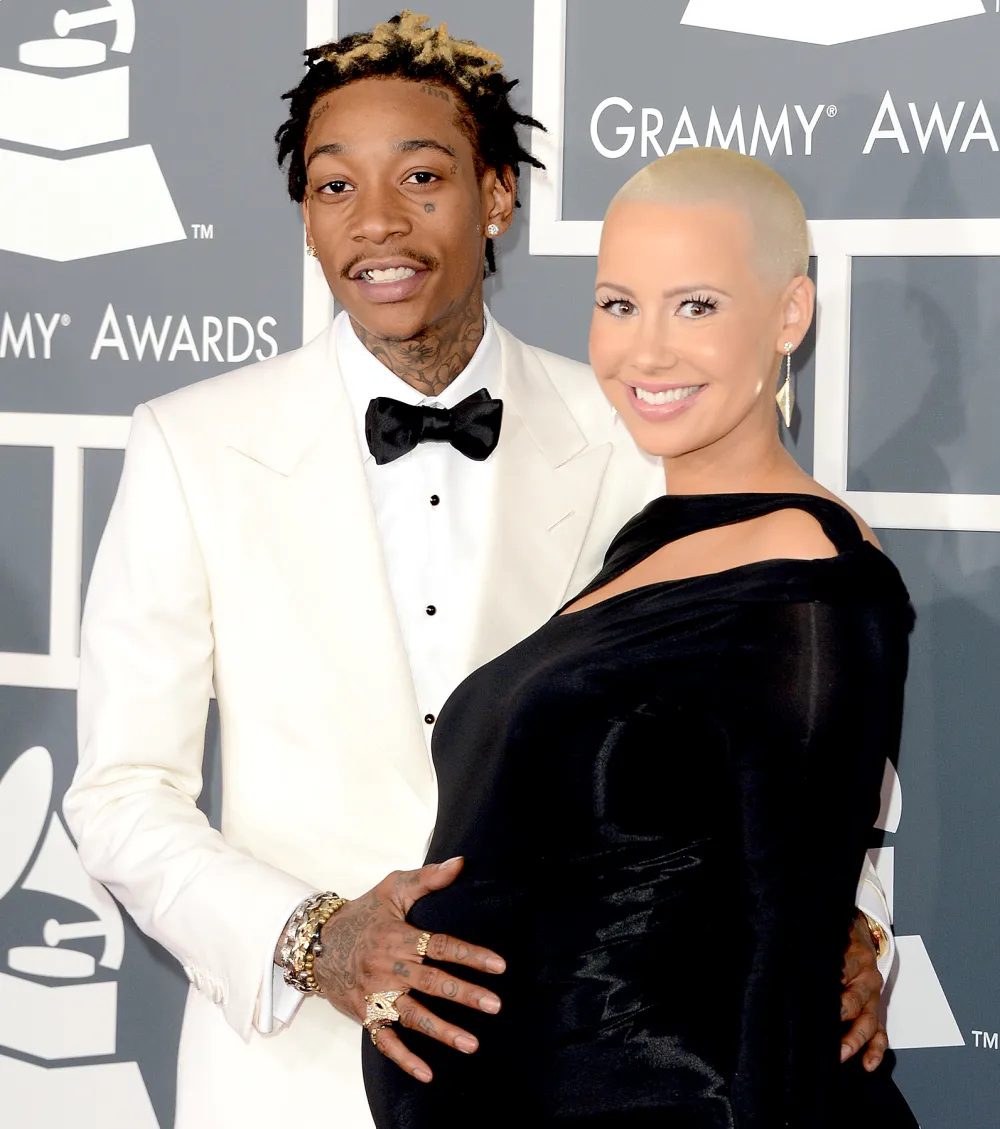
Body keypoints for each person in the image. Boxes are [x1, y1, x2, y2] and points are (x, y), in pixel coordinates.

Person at [64, 13, 892, 1128]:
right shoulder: (190, 442)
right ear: (305, 219)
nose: (377, 222)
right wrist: (311, 938)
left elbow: (800, 712)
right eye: (335, 187)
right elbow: (121, 794)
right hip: (289, 1076)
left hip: (582, 1068)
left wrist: (851, 921)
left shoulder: (638, 430)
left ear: (497, 194)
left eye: (421, 176)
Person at [361, 147, 918, 1127]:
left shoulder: (810, 579)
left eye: (695, 306)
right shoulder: (648, 541)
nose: (645, 351)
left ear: (789, 314)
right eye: (618, 304)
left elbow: (789, 972)